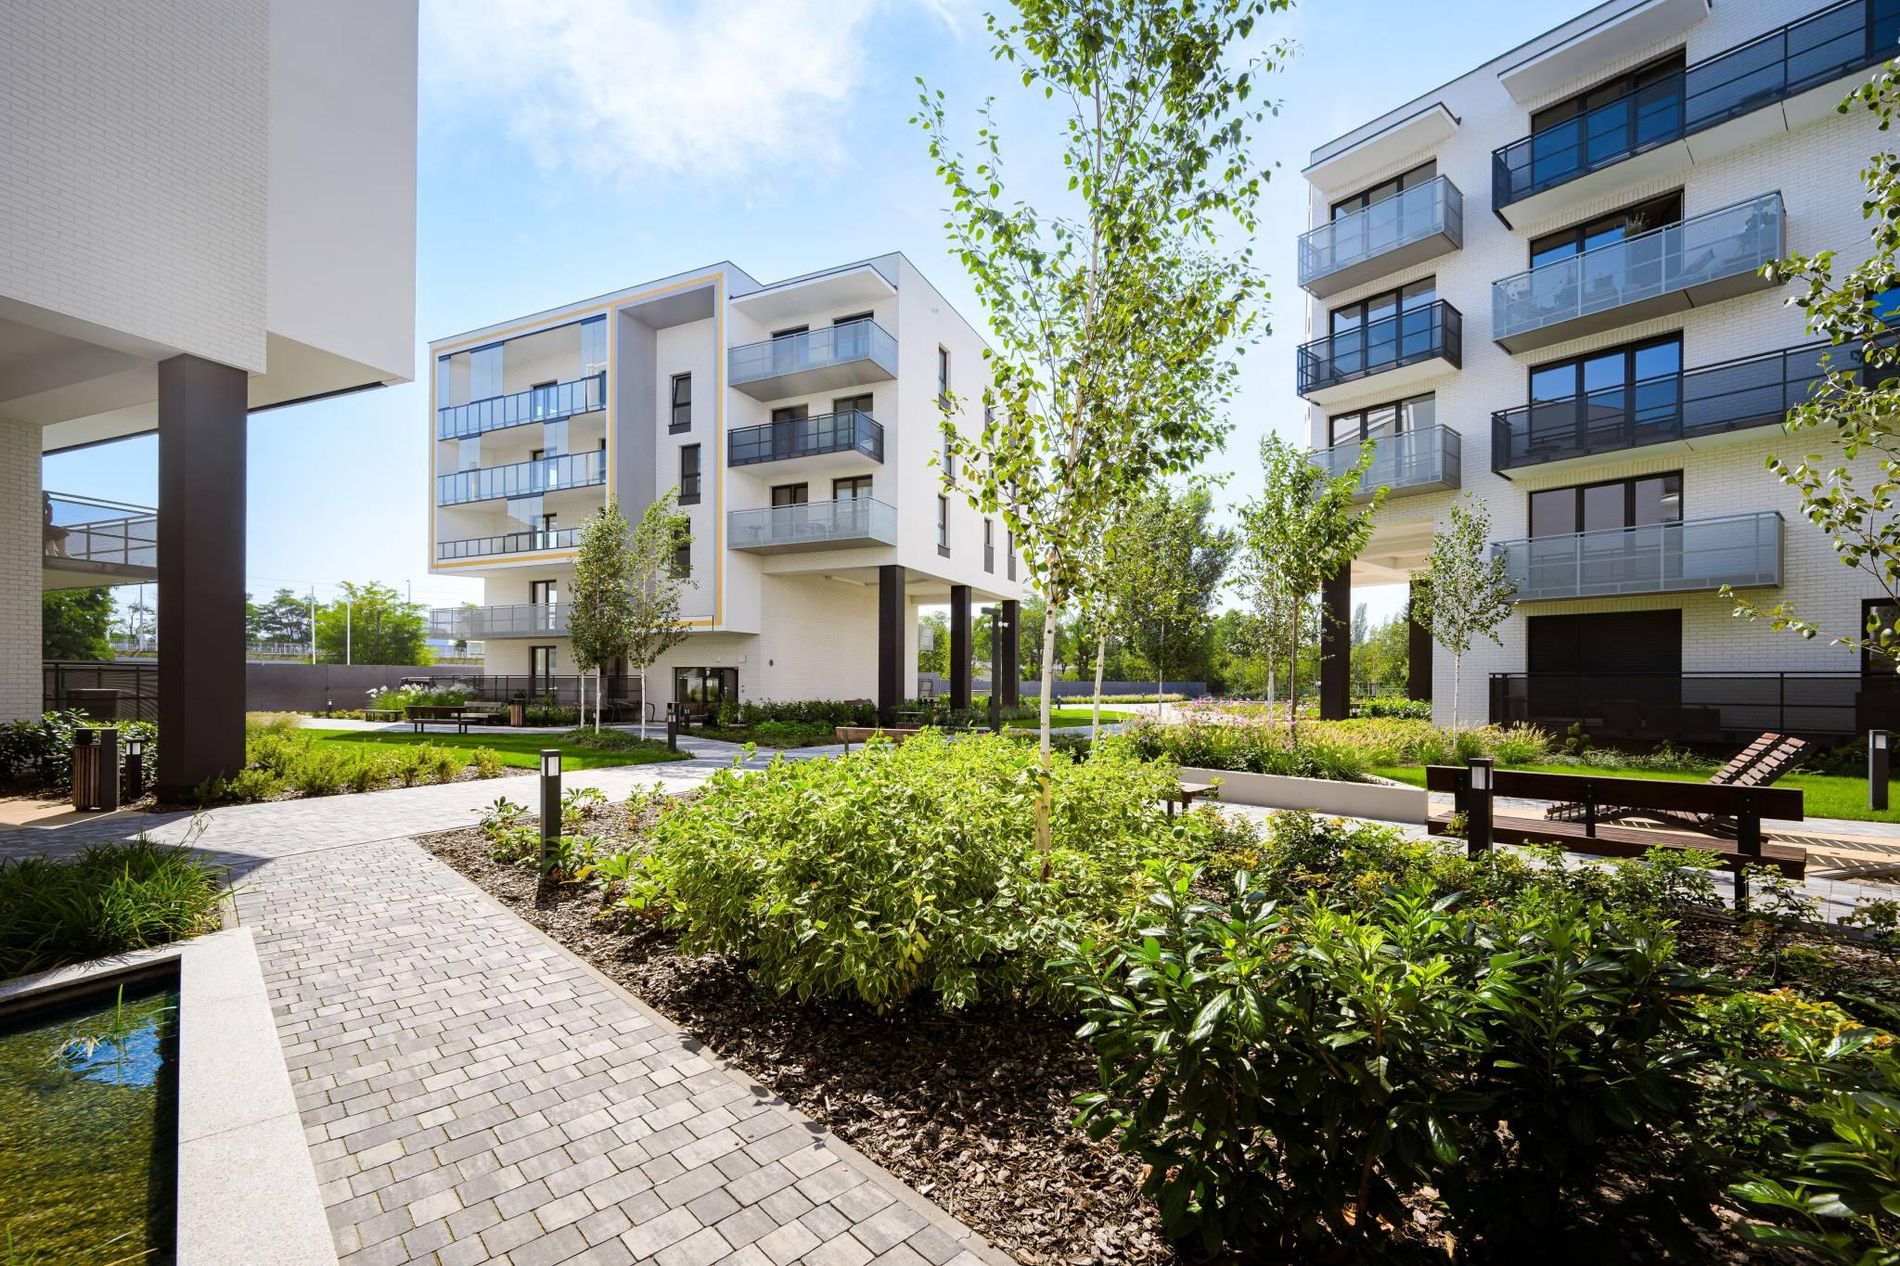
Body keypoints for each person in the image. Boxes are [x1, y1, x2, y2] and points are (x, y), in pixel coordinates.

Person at [43, 493, 69, 557]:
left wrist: (50, 510)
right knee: (56, 531)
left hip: (44, 528)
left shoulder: (44, 508)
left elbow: (48, 521)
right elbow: (47, 521)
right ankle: (58, 553)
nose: (47, 502)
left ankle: (60, 553)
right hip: (39, 528)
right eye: (45, 500)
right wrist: (49, 510)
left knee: (54, 532)